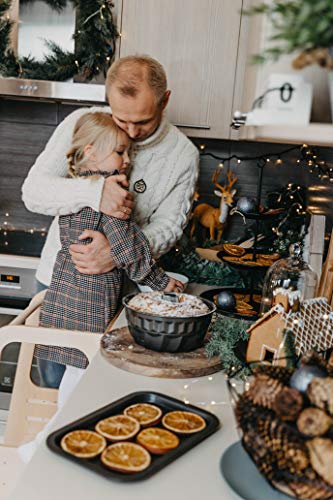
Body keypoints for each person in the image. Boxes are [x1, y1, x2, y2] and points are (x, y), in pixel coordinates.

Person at [22, 55, 199, 385]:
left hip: (125, 297)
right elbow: (33, 192)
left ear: (165, 100)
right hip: (55, 283)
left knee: (99, 389)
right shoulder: (83, 122)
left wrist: (115, 253)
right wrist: (95, 193)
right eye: (121, 119)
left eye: (143, 121)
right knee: (49, 386)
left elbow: (169, 226)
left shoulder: (182, 155)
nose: (131, 131)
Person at [35, 111, 180, 385]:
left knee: (59, 379)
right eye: (120, 152)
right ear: (91, 154)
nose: (128, 160)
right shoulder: (110, 197)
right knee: (83, 382)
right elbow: (129, 250)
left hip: (62, 298)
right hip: (93, 305)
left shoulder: (75, 190)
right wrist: (160, 283)